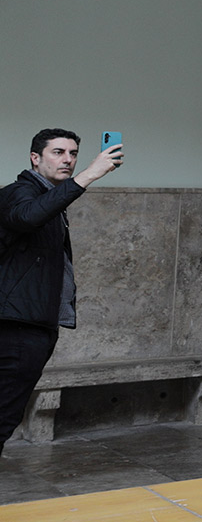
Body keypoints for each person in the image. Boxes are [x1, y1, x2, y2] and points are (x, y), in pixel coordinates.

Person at [0, 129, 122, 451]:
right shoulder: (18, 193)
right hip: (16, 329)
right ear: (35, 158)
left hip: (32, 326)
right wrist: (88, 176)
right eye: (58, 152)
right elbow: (27, 217)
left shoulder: (49, 200)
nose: (67, 160)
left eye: (73, 154)